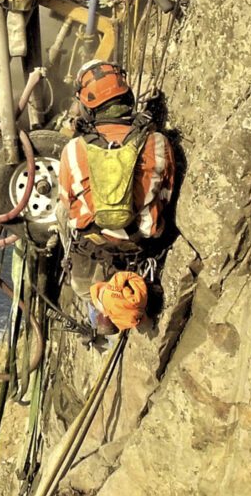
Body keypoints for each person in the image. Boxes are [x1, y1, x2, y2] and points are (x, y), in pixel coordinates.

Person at [56, 60, 177, 335]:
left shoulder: (73, 150)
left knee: (61, 214)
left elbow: (69, 203)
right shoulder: (158, 142)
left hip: (96, 251)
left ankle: (99, 309)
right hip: (142, 246)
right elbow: (166, 195)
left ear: (88, 107)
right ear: (128, 97)